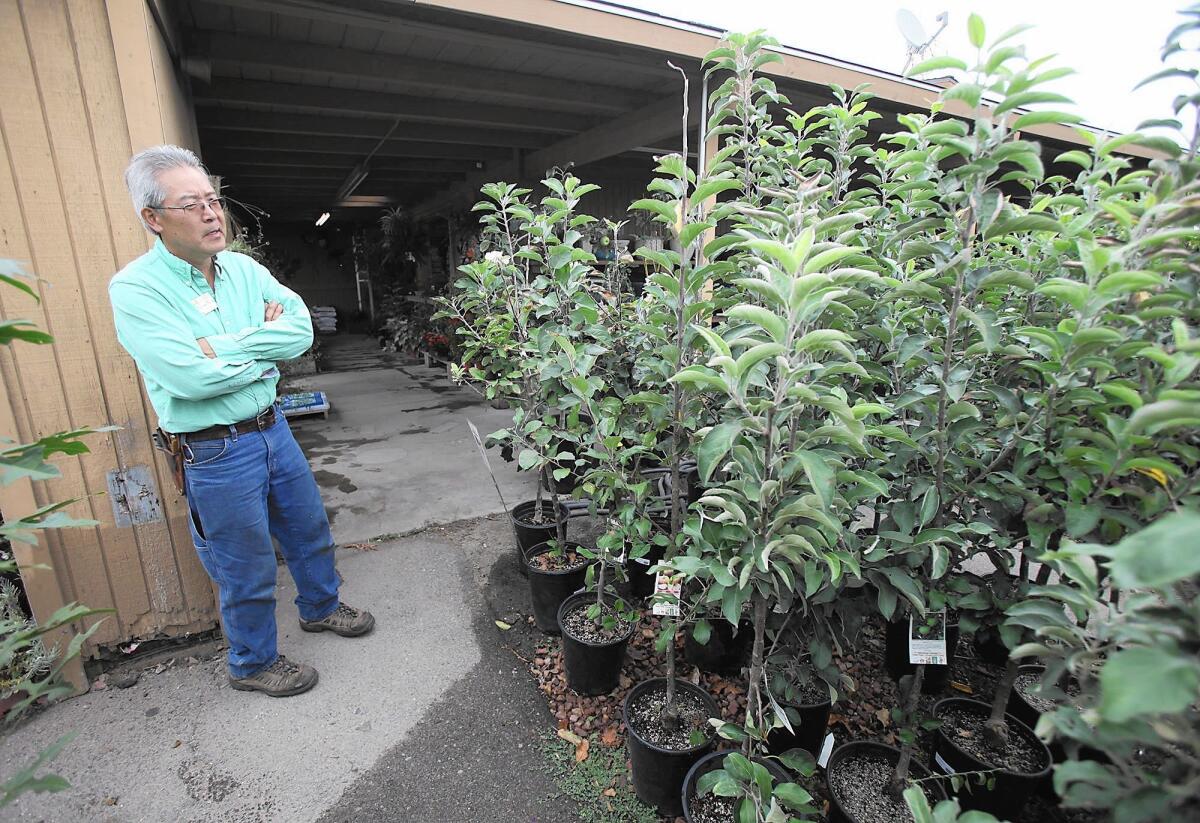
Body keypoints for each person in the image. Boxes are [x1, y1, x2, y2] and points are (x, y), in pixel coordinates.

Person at [109, 145, 373, 697]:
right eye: (192, 204)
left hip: (272, 427)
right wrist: (260, 352)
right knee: (244, 564)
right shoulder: (136, 289)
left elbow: (298, 333)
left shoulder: (244, 270)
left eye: (213, 200)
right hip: (214, 450)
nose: (211, 213)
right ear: (152, 219)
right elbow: (189, 379)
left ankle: (320, 608)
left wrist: (220, 347)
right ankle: (252, 663)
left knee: (308, 530)